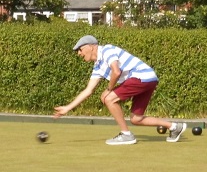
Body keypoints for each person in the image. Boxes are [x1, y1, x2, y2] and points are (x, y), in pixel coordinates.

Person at [54, 35, 187, 145]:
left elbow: (116, 71)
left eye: (80, 49)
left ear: (91, 46)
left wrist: (108, 89)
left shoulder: (107, 50)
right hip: (149, 79)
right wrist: (67, 108)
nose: (79, 53)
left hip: (141, 76)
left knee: (109, 98)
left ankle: (126, 134)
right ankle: (175, 127)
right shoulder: (98, 66)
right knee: (136, 119)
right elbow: (88, 91)